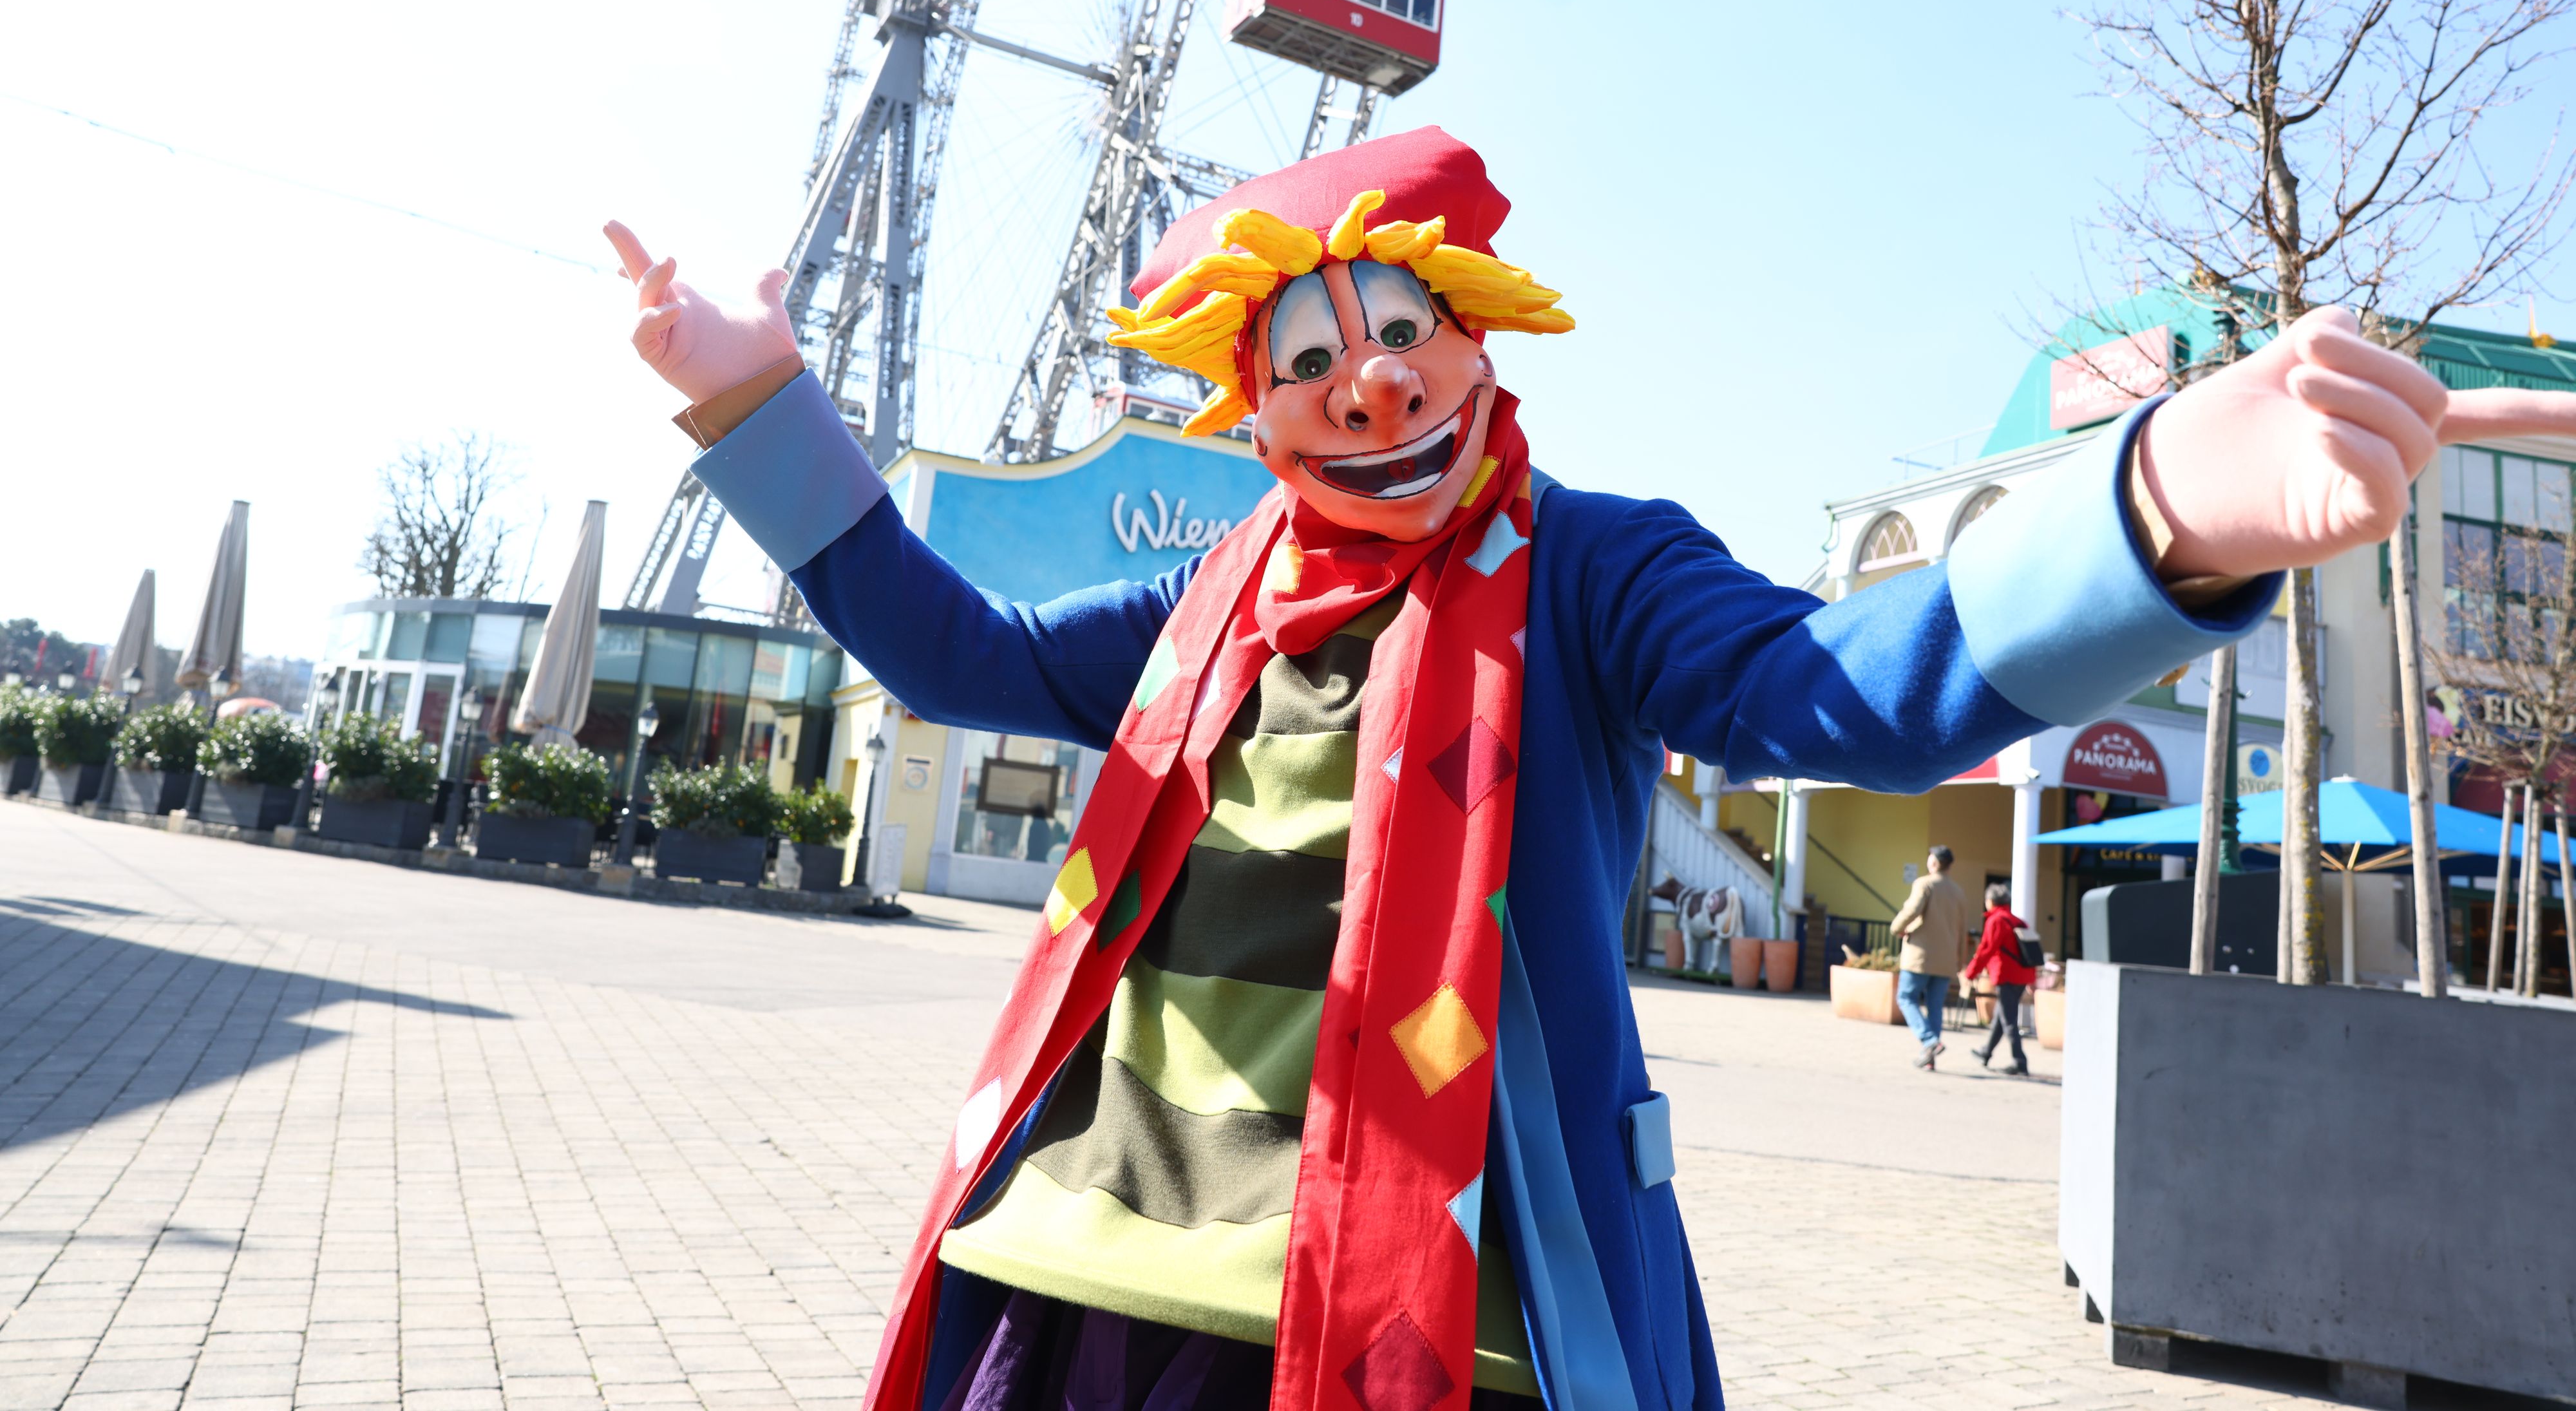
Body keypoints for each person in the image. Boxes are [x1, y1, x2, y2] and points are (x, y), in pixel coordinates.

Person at [605, 124, 2554, 1411]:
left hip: (1452, 1308)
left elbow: (1843, 688)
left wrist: (2150, 520)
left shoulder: (1593, 569)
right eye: (1305, 362)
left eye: (1397, 334)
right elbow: (954, 652)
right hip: (1097, 1286)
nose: (1361, 384)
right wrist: (760, 410)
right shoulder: (1219, 590)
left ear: (1475, 343)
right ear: (1249, 406)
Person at [1888, 846, 1972, 1069]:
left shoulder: (1925, 884)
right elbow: (1962, 930)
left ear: (1933, 862)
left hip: (1920, 956)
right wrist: (1960, 961)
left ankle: (1929, 1041)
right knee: (1935, 1007)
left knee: (1906, 998)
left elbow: (1912, 909)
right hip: (1945, 961)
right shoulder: (1958, 892)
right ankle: (1930, 1059)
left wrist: (1896, 928)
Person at [1965, 882, 2037, 1075]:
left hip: (2006, 975)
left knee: (2008, 1019)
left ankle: (2020, 1062)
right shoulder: (2018, 921)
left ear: (1990, 901)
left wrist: (1971, 972)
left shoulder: (1996, 921)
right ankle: (1986, 1052)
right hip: (2023, 975)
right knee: (2001, 1015)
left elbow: (1986, 950)